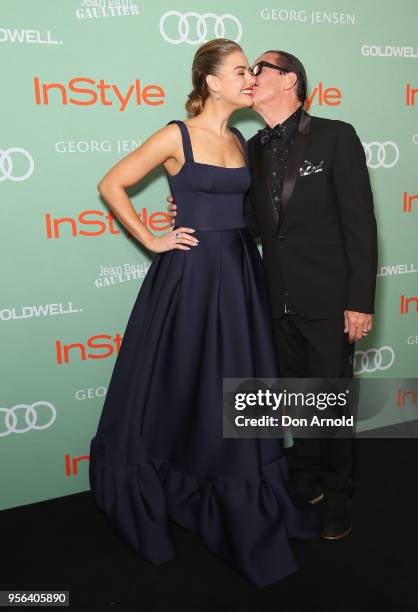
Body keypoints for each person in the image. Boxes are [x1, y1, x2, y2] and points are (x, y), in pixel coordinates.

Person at [88, 39, 320, 589]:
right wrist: (151, 236)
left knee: (240, 385)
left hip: (240, 273)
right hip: (190, 278)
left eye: (252, 71)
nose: (250, 79)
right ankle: (180, 482)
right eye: (240, 71)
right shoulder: (177, 134)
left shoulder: (241, 139)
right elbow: (111, 183)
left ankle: (241, 491)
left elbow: (246, 209)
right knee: (183, 384)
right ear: (211, 82)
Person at [167, 50, 378, 540]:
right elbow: (254, 223)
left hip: (330, 300)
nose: (249, 76)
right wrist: (193, 202)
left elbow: (360, 226)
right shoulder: (251, 147)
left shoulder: (335, 135)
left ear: (290, 81)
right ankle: (304, 481)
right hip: (274, 298)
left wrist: (360, 301)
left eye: (258, 68)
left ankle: (339, 494)